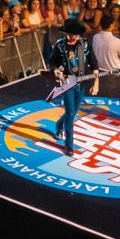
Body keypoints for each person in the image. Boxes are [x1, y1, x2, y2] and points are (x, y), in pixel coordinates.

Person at [46, 20, 90, 152]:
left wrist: (97, 82)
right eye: (71, 35)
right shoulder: (60, 45)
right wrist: (55, 70)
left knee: (73, 112)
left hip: (81, 82)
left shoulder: (85, 44)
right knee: (70, 113)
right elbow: (52, 61)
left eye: (76, 35)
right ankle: (69, 145)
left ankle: (59, 125)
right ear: (66, 33)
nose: (73, 38)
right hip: (67, 82)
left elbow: (93, 62)